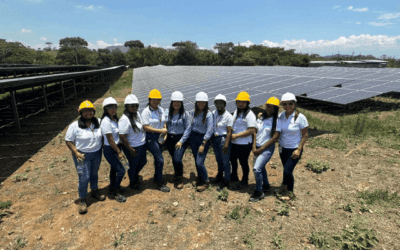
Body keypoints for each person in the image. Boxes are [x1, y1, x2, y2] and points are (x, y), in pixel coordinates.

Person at [65, 100, 105, 214]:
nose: (88, 113)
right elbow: (68, 140)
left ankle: (94, 190)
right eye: (85, 111)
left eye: (91, 111)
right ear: (80, 112)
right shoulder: (74, 126)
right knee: (84, 177)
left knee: (94, 173)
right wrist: (76, 153)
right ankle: (82, 199)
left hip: (97, 153)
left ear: (94, 111)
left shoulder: (99, 122)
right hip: (82, 156)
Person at [178, 92, 213, 192]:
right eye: (199, 102)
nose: (201, 104)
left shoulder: (209, 114)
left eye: (203, 102)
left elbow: (210, 130)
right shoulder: (192, 113)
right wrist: (182, 141)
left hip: (203, 139)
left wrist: (203, 143)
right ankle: (200, 177)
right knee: (196, 159)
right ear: (196, 103)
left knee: (199, 161)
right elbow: (189, 128)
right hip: (193, 138)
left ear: (206, 103)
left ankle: (206, 181)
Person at [278, 92, 309, 200]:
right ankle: (284, 185)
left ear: (294, 103)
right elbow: (272, 120)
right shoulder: (281, 115)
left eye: (290, 103)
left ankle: (290, 193)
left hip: (294, 149)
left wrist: (299, 149)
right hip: (282, 148)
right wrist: (261, 116)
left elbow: (305, 134)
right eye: (284, 104)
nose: (287, 106)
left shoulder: (300, 117)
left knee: (287, 170)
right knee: (285, 168)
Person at [250, 97, 281, 202]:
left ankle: (258, 192)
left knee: (256, 168)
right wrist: (254, 146)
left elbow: (274, 138)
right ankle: (266, 185)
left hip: (267, 148)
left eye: (272, 107)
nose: (269, 108)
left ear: (276, 109)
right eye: (268, 106)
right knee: (261, 167)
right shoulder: (260, 117)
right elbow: (254, 131)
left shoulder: (277, 121)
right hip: (257, 147)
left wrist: (261, 149)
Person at [141, 89, 170, 192]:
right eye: (153, 99)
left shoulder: (161, 110)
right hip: (151, 137)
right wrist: (160, 131)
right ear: (149, 100)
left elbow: (164, 122)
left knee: (158, 159)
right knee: (160, 159)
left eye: (158, 99)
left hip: (160, 136)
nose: (156, 101)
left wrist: (164, 133)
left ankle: (156, 175)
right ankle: (158, 181)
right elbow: (145, 127)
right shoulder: (146, 111)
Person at [100, 97, 126, 203]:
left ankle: (112, 186)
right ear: (105, 109)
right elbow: (110, 140)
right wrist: (119, 153)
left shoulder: (114, 119)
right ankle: (115, 192)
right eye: (110, 107)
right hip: (110, 149)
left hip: (116, 147)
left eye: (115, 107)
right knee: (121, 170)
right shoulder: (106, 122)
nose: (113, 109)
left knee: (114, 169)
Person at [119, 94, 147, 191]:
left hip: (141, 145)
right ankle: (133, 182)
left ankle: (134, 175)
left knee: (143, 161)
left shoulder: (136, 114)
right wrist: (130, 149)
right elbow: (122, 136)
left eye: (136, 105)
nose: (134, 108)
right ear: (126, 106)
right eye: (132, 106)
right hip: (133, 146)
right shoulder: (124, 119)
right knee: (133, 165)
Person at [230, 91, 257, 190]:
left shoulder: (250, 114)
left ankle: (245, 180)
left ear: (247, 103)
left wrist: (237, 135)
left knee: (243, 162)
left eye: (243, 102)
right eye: (239, 102)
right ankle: (234, 176)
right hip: (234, 143)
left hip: (244, 144)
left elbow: (252, 130)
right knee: (233, 160)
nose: (241, 104)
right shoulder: (237, 112)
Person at [164, 91, 191, 189]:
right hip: (170, 139)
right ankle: (176, 174)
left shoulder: (185, 114)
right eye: (175, 102)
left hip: (180, 139)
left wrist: (181, 141)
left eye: (179, 102)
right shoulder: (167, 112)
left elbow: (188, 128)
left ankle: (179, 177)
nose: (176, 104)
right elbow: (164, 123)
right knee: (174, 158)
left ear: (181, 103)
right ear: (171, 102)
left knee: (177, 159)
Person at [211, 94, 233, 191]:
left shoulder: (228, 116)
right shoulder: (213, 113)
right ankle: (220, 175)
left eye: (221, 103)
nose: (219, 105)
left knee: (225, 161)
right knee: (218, 159)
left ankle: (226, 179)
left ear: (224, 104)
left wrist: (226, 144)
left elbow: (229, 132)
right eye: (217, 103)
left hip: (223, 139)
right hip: (215, 139)